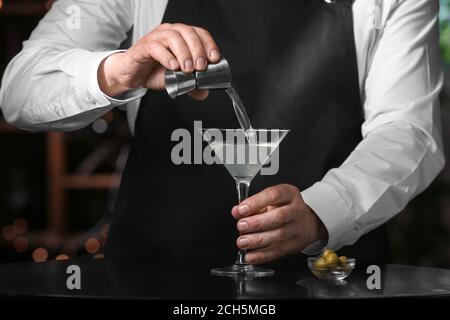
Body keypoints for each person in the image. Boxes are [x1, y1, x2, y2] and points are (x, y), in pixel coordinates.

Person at [0, 0, 444, 268]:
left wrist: (324, 211)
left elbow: (409, 129)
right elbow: (20, 91)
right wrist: (117, 71)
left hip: (325, 274)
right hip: (154, 272)